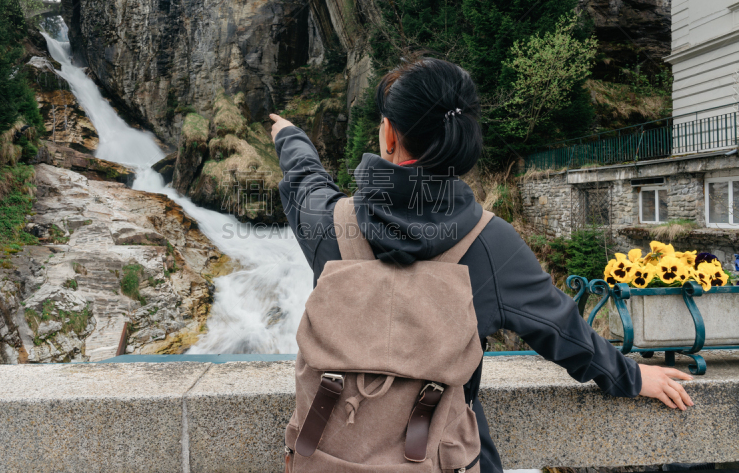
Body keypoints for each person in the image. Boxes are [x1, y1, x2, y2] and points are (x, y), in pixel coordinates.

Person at [270, 57, 693, 472]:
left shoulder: (331, 225)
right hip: (438, 457)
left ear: (389, 135)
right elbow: (562, 330)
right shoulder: (492, 242)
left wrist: (290, 136)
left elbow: (307, 181)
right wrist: (631, 377)